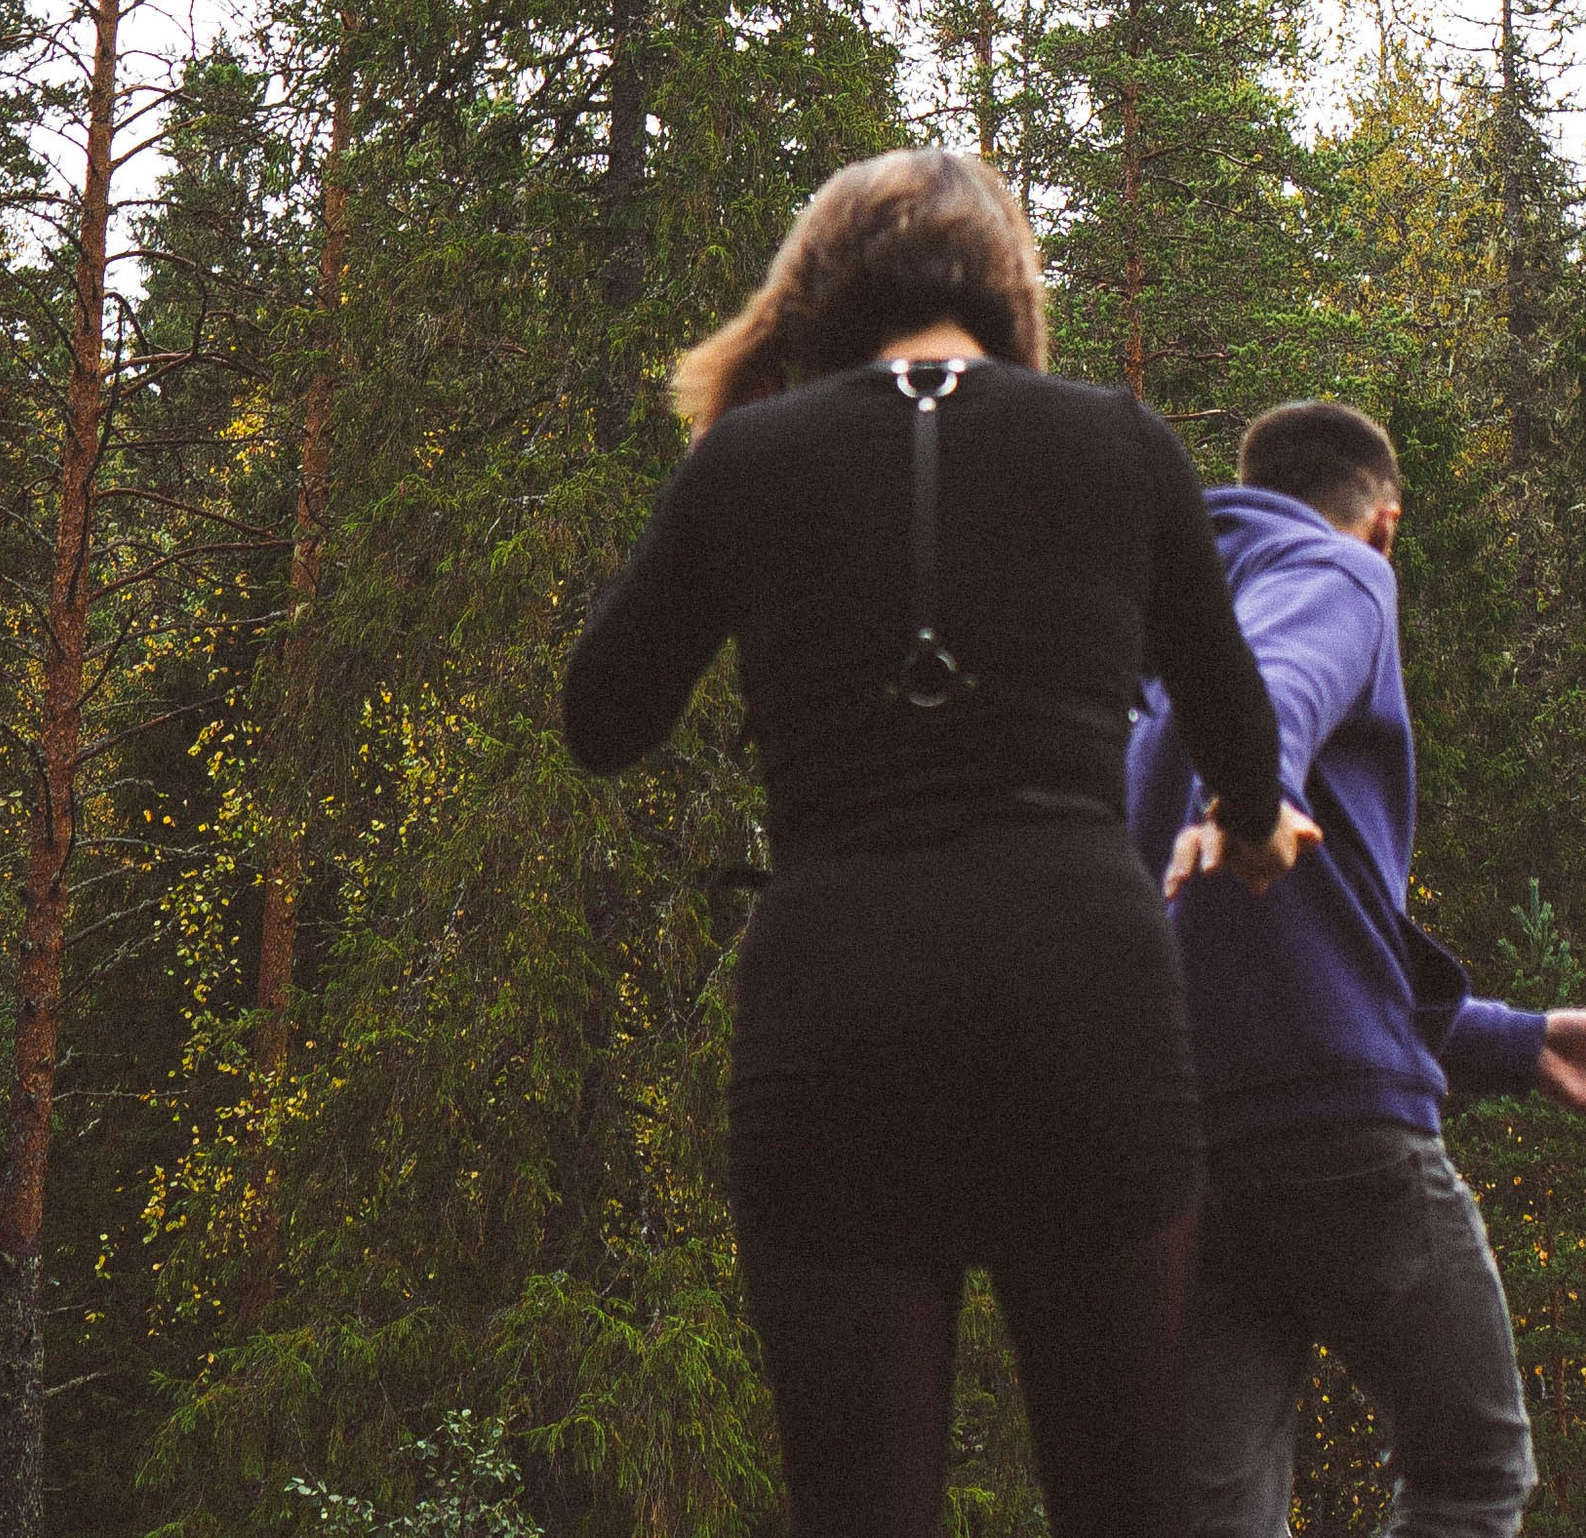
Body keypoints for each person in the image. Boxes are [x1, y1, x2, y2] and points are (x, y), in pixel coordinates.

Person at [560, 151, 1316, 1538]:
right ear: (1008, 291)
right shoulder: (1121, 440)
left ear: (819, 299)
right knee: (1125, 1502)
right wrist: (1254, 832)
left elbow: (602, 718)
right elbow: (1242, 739)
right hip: (1084, 998)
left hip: (839, 1006)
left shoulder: (749, 460)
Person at [1127, 398, 1586, 1538]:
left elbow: (1305, 950)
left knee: (1205, 1507)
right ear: (1383, 524)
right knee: (1472, 1467)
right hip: (1340, 1140)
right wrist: (1255, 794)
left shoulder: (1151, 650)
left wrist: (1516, 1043)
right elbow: (1281, 686)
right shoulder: (1337, 572)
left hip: (1183, 1146)